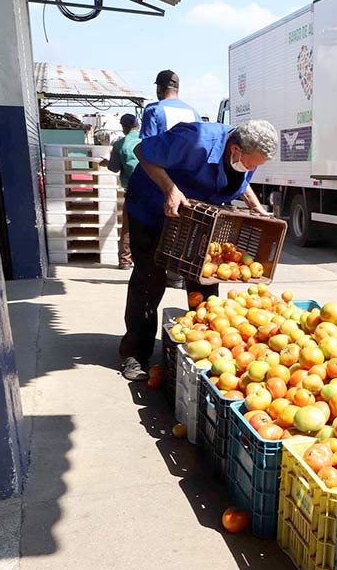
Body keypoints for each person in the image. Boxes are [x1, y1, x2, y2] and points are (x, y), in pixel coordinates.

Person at [118, 119, 277, 381]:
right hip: (152, 210)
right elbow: (142, 151)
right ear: (234, 149)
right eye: (251, 163)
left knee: (205, 279)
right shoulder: (196, 140)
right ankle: (135, 354)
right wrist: (170, 189)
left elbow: (240, 178)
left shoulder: (245, 156)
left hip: (195, 218)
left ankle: (203, 349)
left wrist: (254, 204)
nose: (252, 169)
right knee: (150, 279)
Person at [142, 70, 202, 289]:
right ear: (178, 88)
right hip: (189, 182)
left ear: (159, 88)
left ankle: (163, 273)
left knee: (158, 230)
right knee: (183, 229)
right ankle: (179, 273)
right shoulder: (193, 112)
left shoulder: (153, 110)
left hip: (162, 182)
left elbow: (146, 149)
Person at [107, 113, 141, 270]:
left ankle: (125, 260)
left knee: (128, 225)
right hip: (154, 189)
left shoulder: (119, 145)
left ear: (123, 127)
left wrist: (106, 162)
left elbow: (113, 167)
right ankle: (145, 259)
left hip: (133, 191)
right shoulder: (147, 140)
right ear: (138, 125)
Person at [141, 70, 202, 138]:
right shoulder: (194, 113)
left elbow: (147, 143)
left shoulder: (153, 109)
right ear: (177, 89)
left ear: (159, 88)